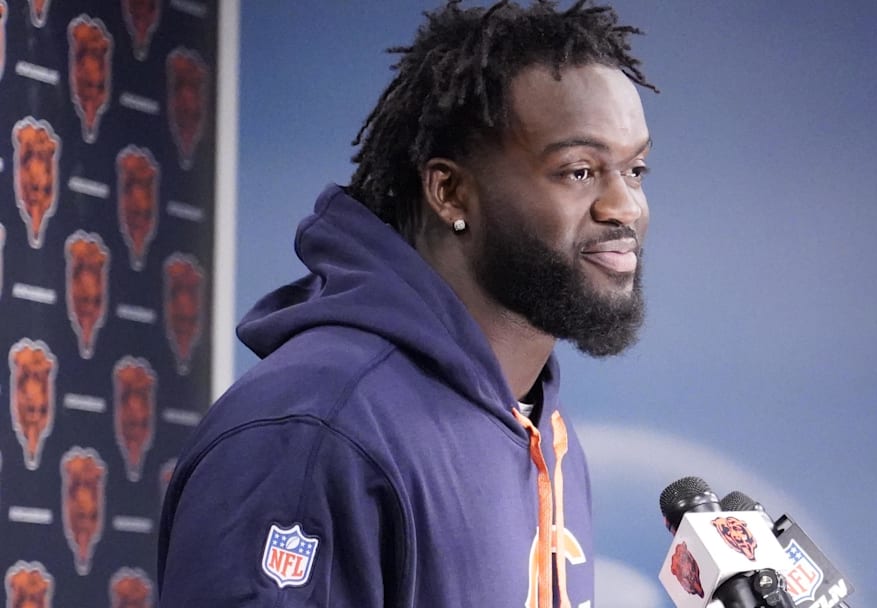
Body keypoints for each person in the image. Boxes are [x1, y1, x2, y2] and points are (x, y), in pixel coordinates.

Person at [157, 1, 656, 606]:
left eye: (635, 170)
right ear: (450, 191)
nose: (624, 206)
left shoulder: (546, 431)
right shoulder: (317, 429)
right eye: (579, 171)